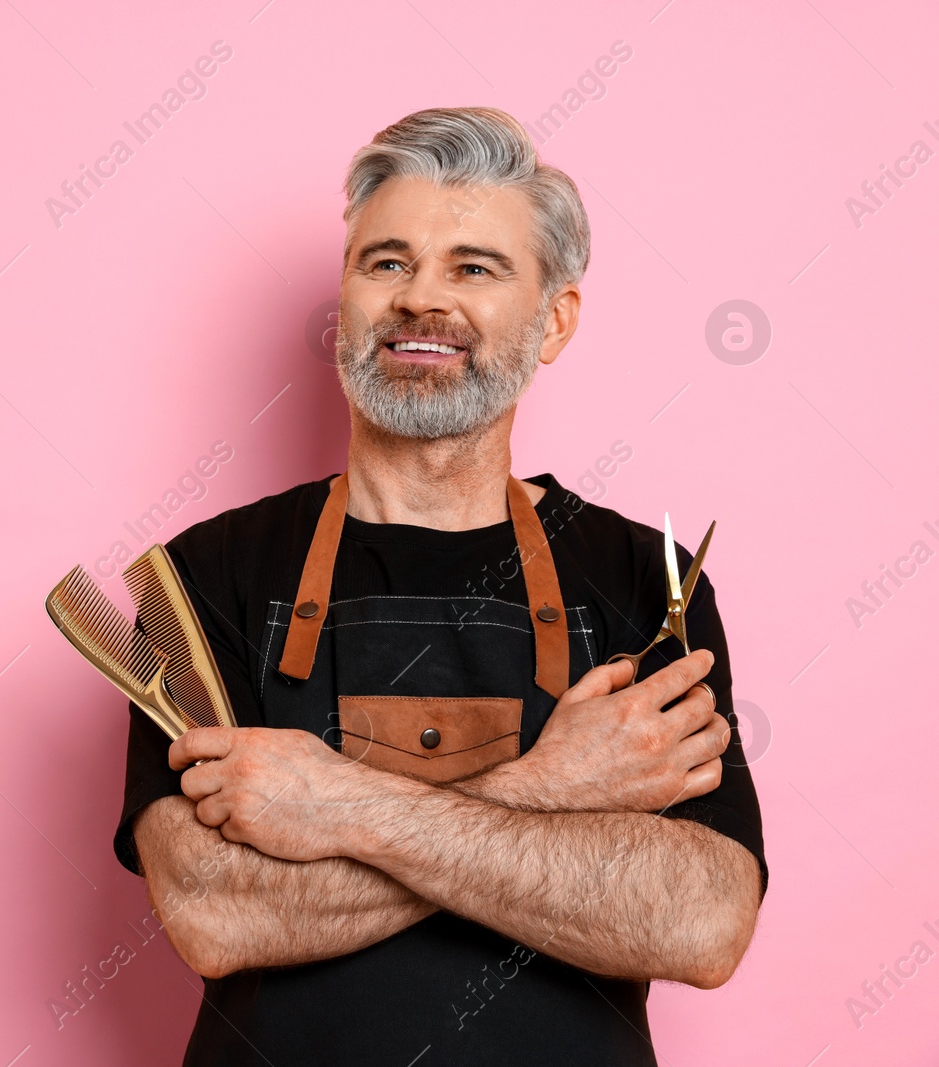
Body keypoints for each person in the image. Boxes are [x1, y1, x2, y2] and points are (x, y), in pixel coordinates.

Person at [113, 106, 766, 1066]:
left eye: (474, 267)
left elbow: (701, 922)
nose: (423, 299)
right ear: (345, 300)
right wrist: (554, 786)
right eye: (386, 262)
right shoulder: (201, 577)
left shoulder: (648, 580)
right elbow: (214, 914)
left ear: (555, 321)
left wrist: (333, 806)